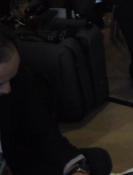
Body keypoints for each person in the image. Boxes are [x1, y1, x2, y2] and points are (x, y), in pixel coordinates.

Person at [0, 33, 114, 175]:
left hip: (15, 160)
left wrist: (75, 169)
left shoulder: (16, 78)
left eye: (11, 78)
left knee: (97, 160)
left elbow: (41, 131)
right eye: (0, 83)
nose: (8, 89)